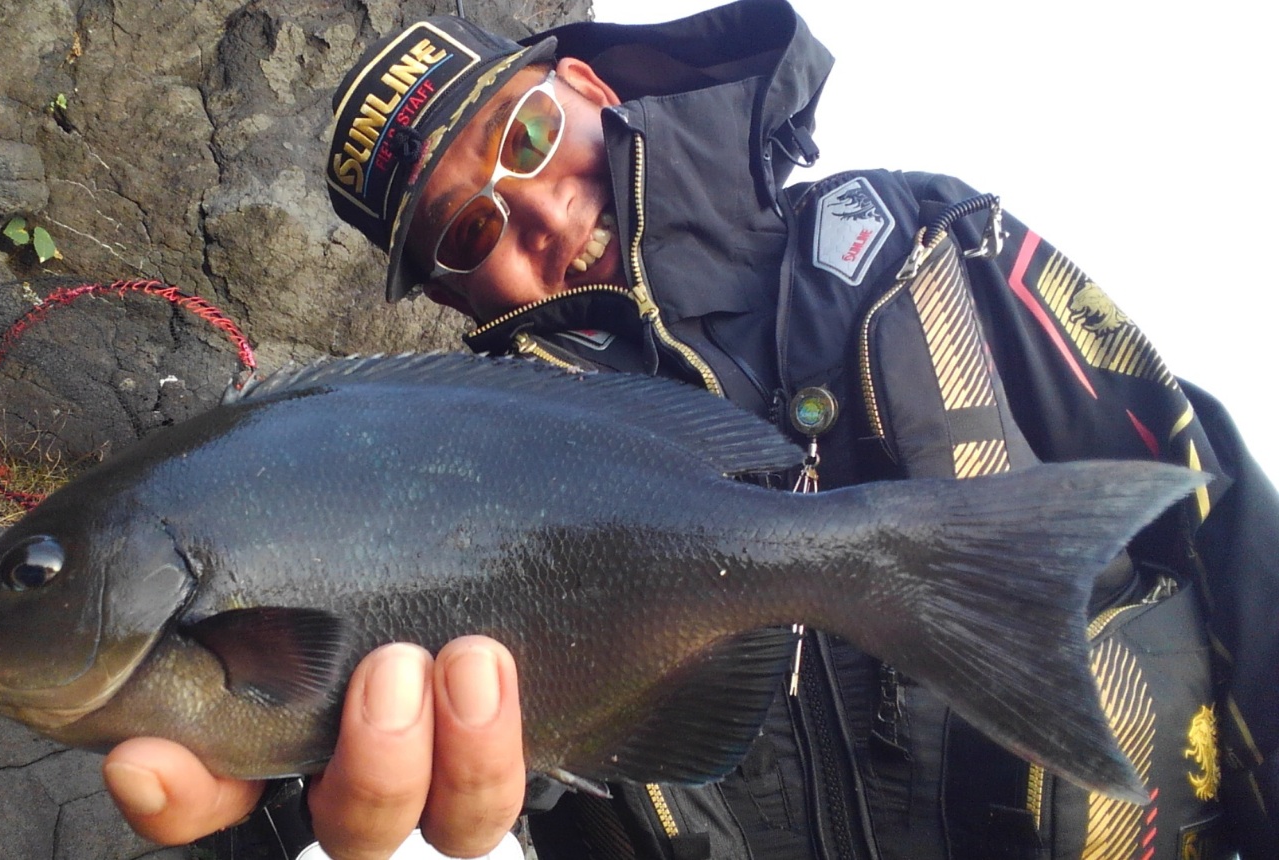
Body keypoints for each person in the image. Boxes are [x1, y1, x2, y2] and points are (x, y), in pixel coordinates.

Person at [108, 2, 1279, 858]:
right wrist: (270, 779)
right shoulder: (457, 452)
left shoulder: (927, 237)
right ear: (451, 297)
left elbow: (1209, 500)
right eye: (465, 236)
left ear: (588, 87)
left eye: (523, 139)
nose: (533, 218)